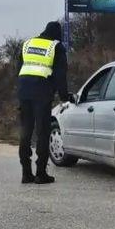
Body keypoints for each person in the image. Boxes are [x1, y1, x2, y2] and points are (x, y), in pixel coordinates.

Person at [17, 21, 70, 184]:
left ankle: (26, 173)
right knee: (42, 132)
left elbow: (18, 68)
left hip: (24, 92)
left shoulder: (27, 44)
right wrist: (64, 96)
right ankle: (41, 173)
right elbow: (61, 75)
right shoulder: (56, 47)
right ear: (57, 33)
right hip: (42, 94)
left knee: (25, 132)